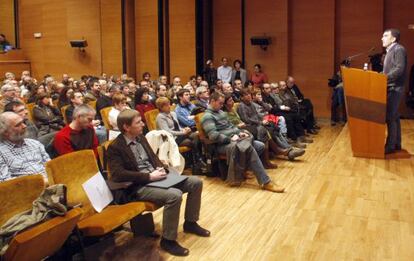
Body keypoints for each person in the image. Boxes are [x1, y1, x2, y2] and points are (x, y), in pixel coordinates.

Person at [107, 109, 210, 256]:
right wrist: (148, 176)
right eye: (138, 122)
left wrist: (160, 168)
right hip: (138, 186)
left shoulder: (140, 137)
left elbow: (152, 157)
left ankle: (190, 223)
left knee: (195, 182)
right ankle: (168, 240)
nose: (143, 124)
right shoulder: (115, 147)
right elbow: (117, 174)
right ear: (126, 127)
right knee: (174, 195)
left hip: (156, 177)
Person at [201, 91, 285, 192]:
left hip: (235, 140)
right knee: (249, 148)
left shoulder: (221, 112)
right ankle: (265, 182)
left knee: (260, 145)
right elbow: (214, 136)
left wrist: (240, 132)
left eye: (222, 103)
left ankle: (242, 170)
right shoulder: (207, 117)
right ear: (212, 101)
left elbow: (232, 126)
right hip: (222, 145)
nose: (222, 105)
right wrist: (231, 138)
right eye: (220, 103)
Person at [0, 112, 50, 182]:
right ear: (5, 132)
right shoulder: (1, 153)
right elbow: (7, 182)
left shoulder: (34, 143)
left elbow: (50, 167)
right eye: (18, 125)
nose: (24, 126)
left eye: (23, 122)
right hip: (28, 190)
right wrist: (41, 182)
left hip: (52, 182)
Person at [381, 29, 407, 154]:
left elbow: (399, 69)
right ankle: (396, 144)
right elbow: (389, 71)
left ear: (393, 39)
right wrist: (380, 76)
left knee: (390, 116)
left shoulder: (398, 49)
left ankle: (390, 146)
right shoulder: (390, 51)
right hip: (391, 86)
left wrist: (384, 78)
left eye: (385, 36)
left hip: (395, 87)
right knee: (394, 116)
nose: (382, 38)